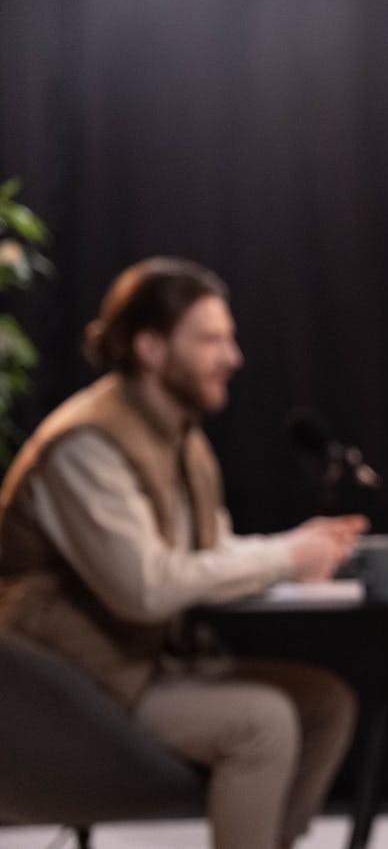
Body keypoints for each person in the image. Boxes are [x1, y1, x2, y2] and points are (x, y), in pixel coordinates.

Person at [0, 257, 369, 849]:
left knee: (324, 703)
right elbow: (144, 587)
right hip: (68, 687)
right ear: (150, 348)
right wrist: (281, 557)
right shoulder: (84, 446)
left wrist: (307, 553)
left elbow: (210, 552)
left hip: (142, 665)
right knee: (262, 722)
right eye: (212, 339)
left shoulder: (183, 439)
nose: (233, 357)